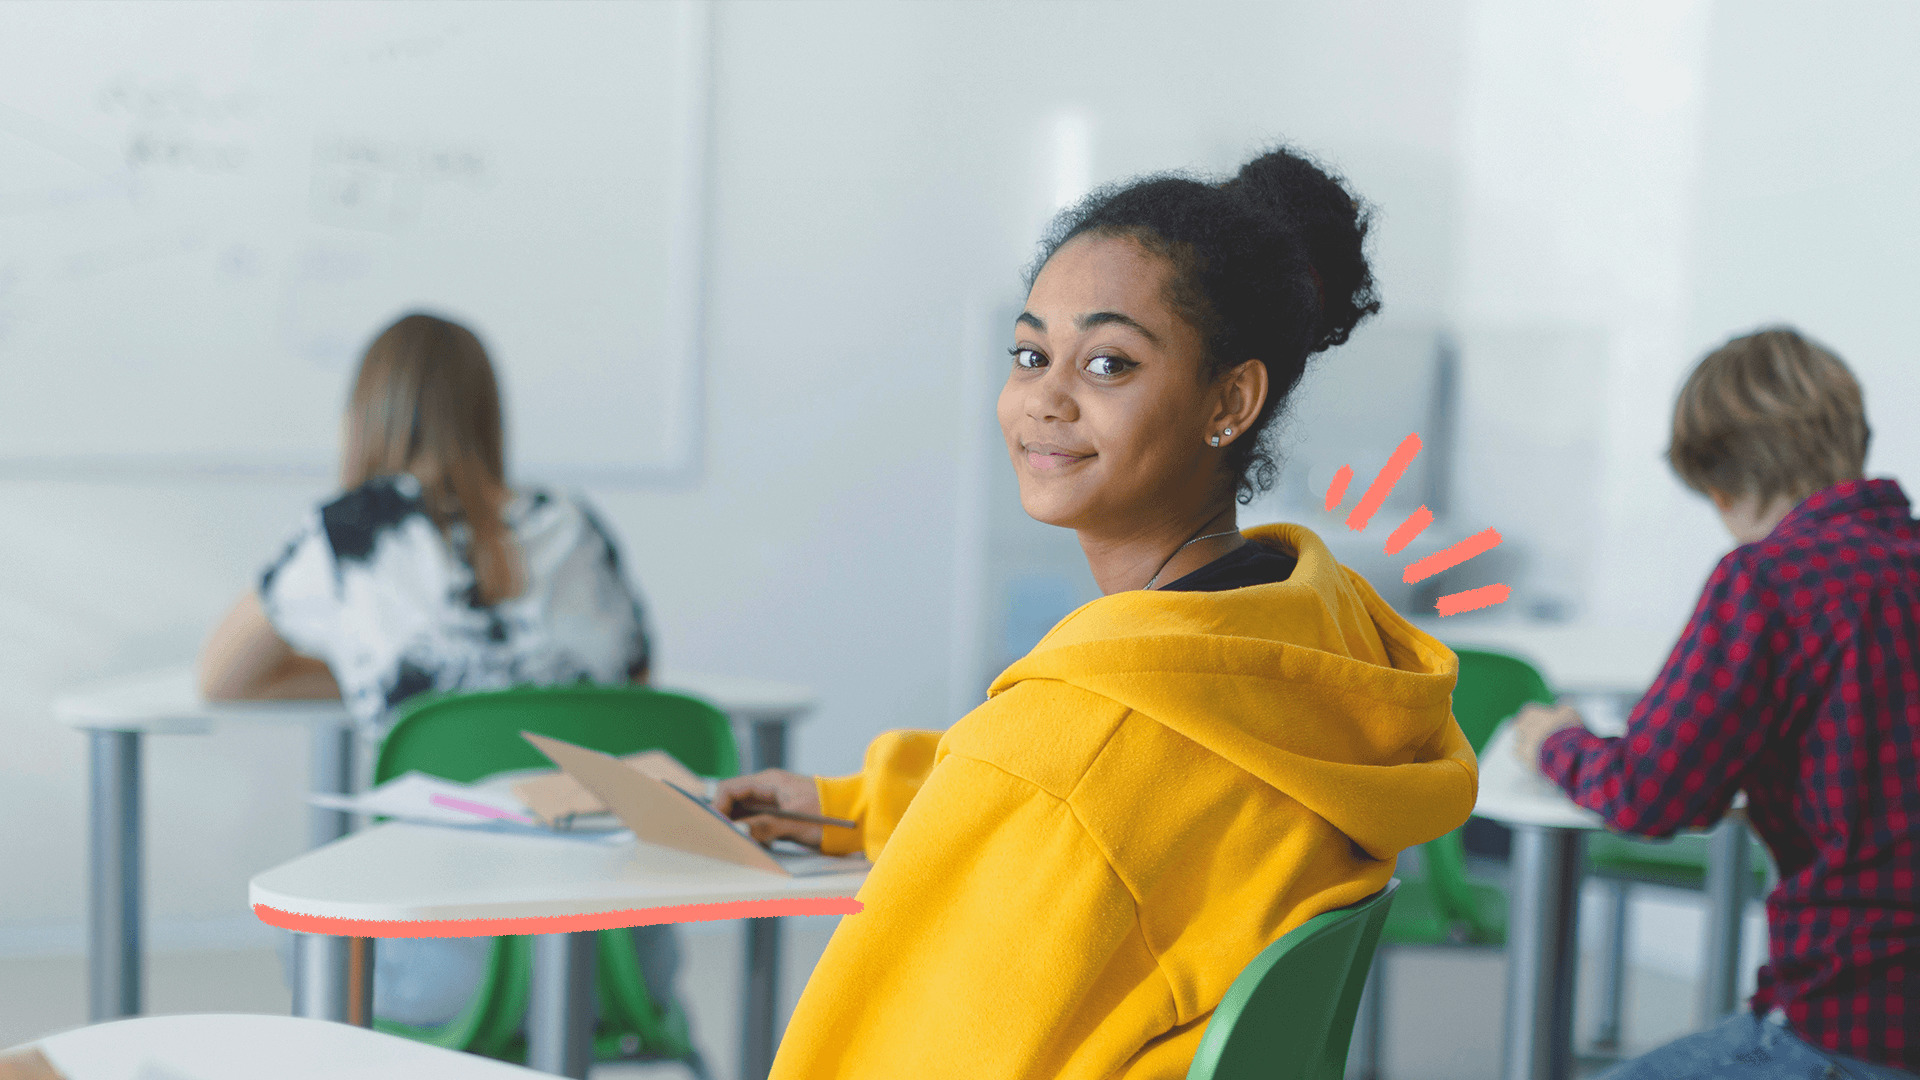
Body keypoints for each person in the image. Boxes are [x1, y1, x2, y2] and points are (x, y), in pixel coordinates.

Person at [715, 148, 1479, 1079]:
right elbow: (1149, 828)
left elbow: (888, 1051)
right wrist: (868, 803)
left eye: (1109, 364)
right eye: (1032, 354)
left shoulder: (1075, 741)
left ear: (1230, 401)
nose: (1045, 397)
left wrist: (986, 792)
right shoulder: (1310, 640)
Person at [197, 311, 678, 1035]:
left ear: (364, 416)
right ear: (489, 414)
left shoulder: (347, 535)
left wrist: (371, 672)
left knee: (306, 933)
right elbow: (634, 699)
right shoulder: (578, 527)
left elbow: (223, 676)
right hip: (615, 970)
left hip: (441, 971)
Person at [1513, 328, 1919, 1079]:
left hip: (1846, 1027)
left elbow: (1649, 792)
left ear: (1722, 483)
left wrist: (1554, 743)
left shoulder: (1768, 582)